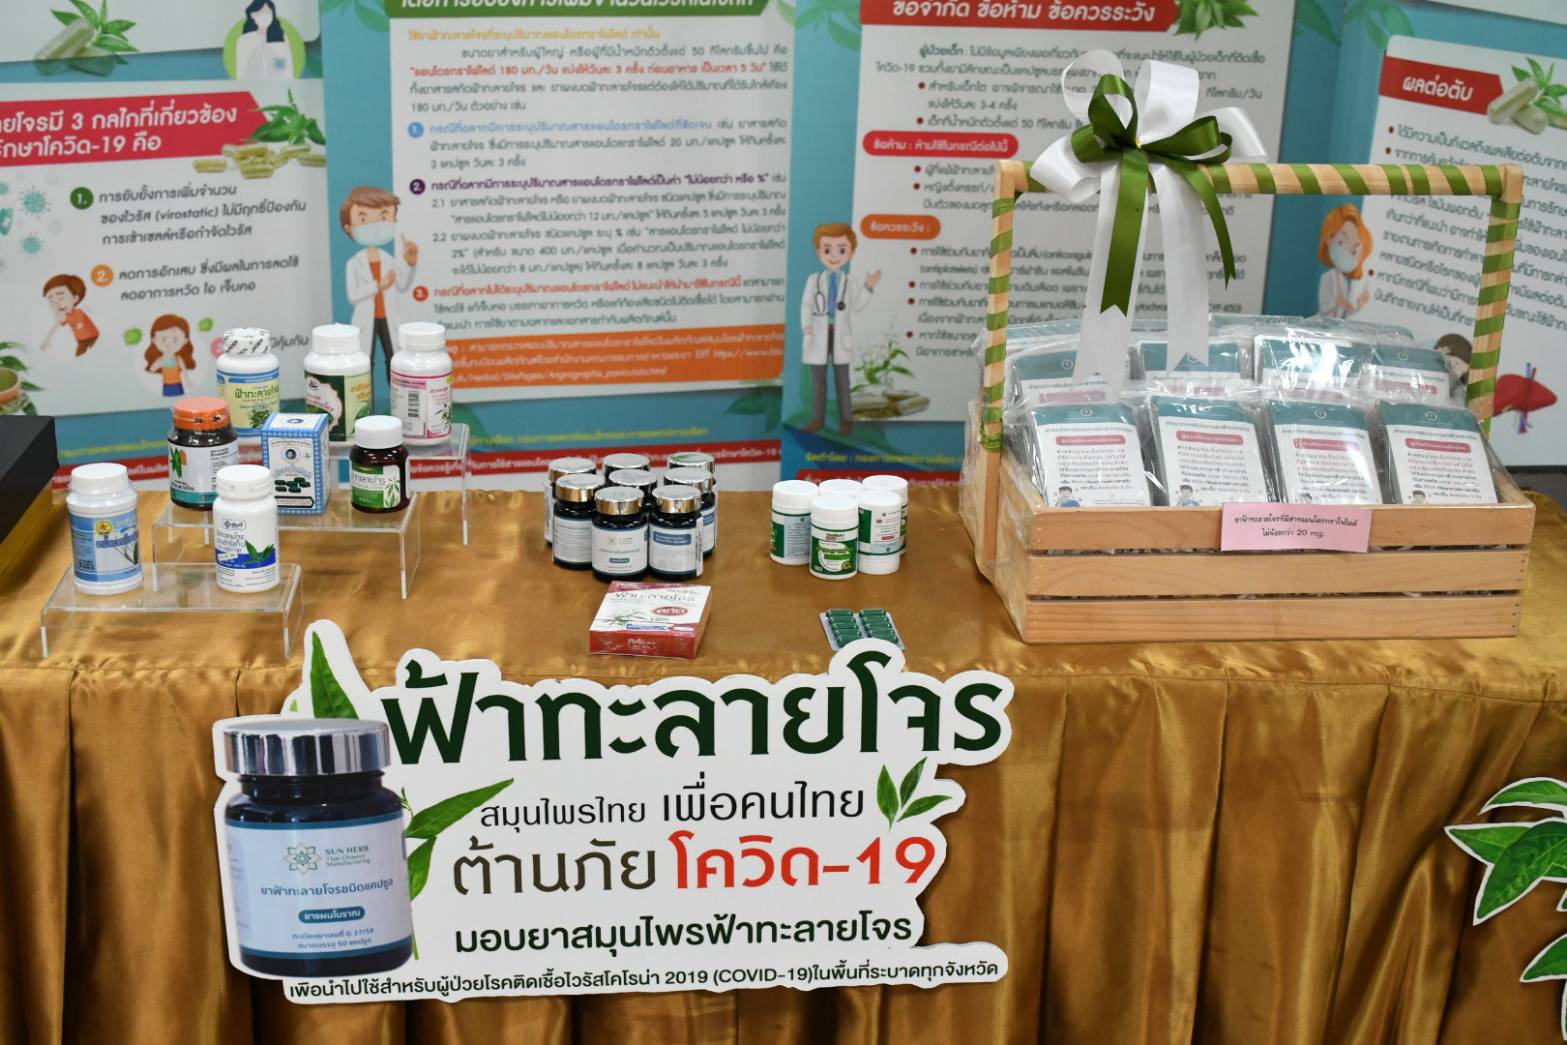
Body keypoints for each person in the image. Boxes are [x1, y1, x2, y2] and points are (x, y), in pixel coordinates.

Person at [799, 223, 879, 435]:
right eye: (827, 250)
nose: (834, 256)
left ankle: (846, 420)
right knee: (818, 381)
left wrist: (868, 286)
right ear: (818, 252)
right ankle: (818, 419)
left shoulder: (850, 281)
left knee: (843, 381)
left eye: (841, 250)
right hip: (818, 335)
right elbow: (806, 305)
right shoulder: (813, 280)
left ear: (851, 252)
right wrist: (807, 328)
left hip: (840, 335)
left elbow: (858, 305)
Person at [341, 186, 419, 382]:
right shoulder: (353, 263)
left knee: (394, 360)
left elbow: (403, 285)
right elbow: (353, 296)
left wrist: (410, 263)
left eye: (383, 217)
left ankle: (397, 397)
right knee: (365, 363)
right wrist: (378, 285)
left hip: (388, 318)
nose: (375, 225)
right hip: (366, 319)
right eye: (364, 219)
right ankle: (365, 400)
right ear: (349, 228)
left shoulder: (389, 260)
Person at [1317, 203, 1373, 320]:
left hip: (1336, 328)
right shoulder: (1326, 277)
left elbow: (1346, 311)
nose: (1346, 253)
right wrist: (1337, 302)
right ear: (1329, 239)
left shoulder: (1344, 283)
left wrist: (1359, 305)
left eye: (1354, 251)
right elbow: (1324, 308)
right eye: (1341, 242)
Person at [40, 274, 99, 356]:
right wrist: (47, 340)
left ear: (75, 298)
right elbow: (55, 326)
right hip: (81, 341)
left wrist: (63, 317)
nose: (57, 304)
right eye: (52, 301)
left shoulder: (78, 312)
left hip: (94, 338)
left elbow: (79, 322)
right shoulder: (65, 315)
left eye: (61, 298)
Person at [234, 0, 292, 80]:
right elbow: (241, 72)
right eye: (260, 12)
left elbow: (287, 70)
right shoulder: (244, 40)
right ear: (252, 15)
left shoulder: (281, 37)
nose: (264, 15)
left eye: (267, 12)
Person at [143, 315, 196, 397]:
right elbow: (152, 369)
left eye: (175, 339)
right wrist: (159, 363)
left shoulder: (178, 359)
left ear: (185, 340)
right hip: (167, 385)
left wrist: (187, 380)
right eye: (163, 339)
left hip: (178, 384)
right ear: (154, 340)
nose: (169, 343)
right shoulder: (161, 360)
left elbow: (184, 371)